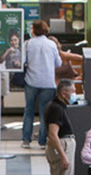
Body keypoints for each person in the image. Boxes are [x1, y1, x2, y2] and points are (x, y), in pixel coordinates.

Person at [21, 20, 62, 149]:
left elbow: (22, 61)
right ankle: (42, 141)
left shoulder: (27, 44)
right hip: (48, 82)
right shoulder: (51, 44)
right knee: (45, 112)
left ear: (33, 30)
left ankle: (26, 140)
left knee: (29, 110)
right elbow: (58, 63)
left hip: (31, 81)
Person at [45, 80, 77, 175]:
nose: (75, 95)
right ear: (64, 93)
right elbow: (53, 134)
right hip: (63, 146)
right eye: (73, 92)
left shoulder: (56, 106)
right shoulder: (56, 108)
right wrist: (63, 156)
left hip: (63, 145)